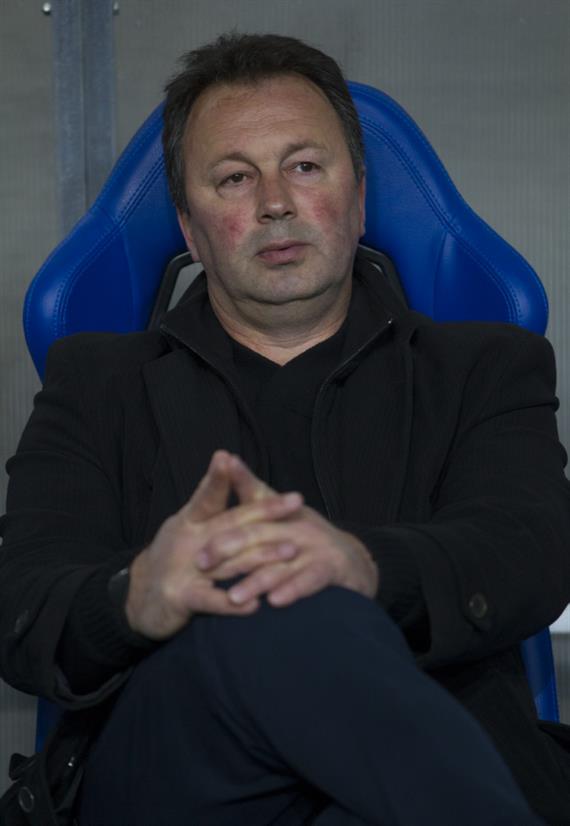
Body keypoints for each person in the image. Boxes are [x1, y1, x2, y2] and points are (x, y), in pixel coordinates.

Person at [1, 31, 570, 826]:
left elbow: (527, 555)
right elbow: (23, 607)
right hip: (177, 771)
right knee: (274, 605)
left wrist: (362, 567)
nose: (274, 202)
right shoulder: (97, 384)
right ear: (190, 229)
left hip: (422, 757)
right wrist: (139, 594)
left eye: (304, 166)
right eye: (235, 178)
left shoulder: (485, 368)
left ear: (359, 200)